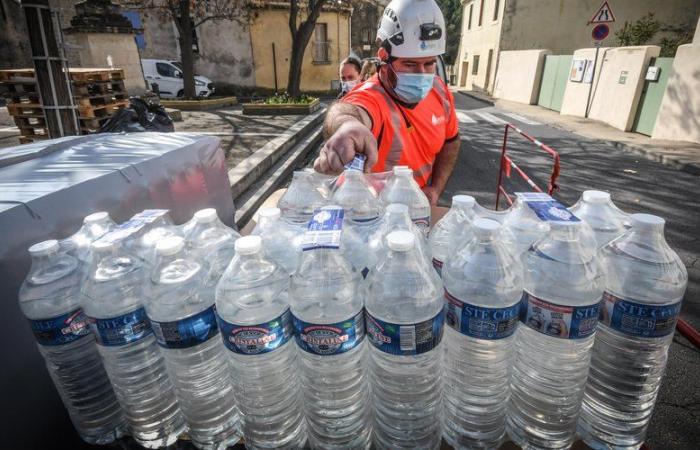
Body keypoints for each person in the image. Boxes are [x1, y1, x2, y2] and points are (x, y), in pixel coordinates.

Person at [315, 0, 459, 205]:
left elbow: (451, 142)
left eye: (429, 64)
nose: (422, 74)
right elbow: (350, 110)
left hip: (418, 209)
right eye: (410, 64)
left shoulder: (440, 91)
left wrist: (435, 188)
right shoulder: (372, 96)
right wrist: (347, 126)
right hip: (373, 216)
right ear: (384, 57)